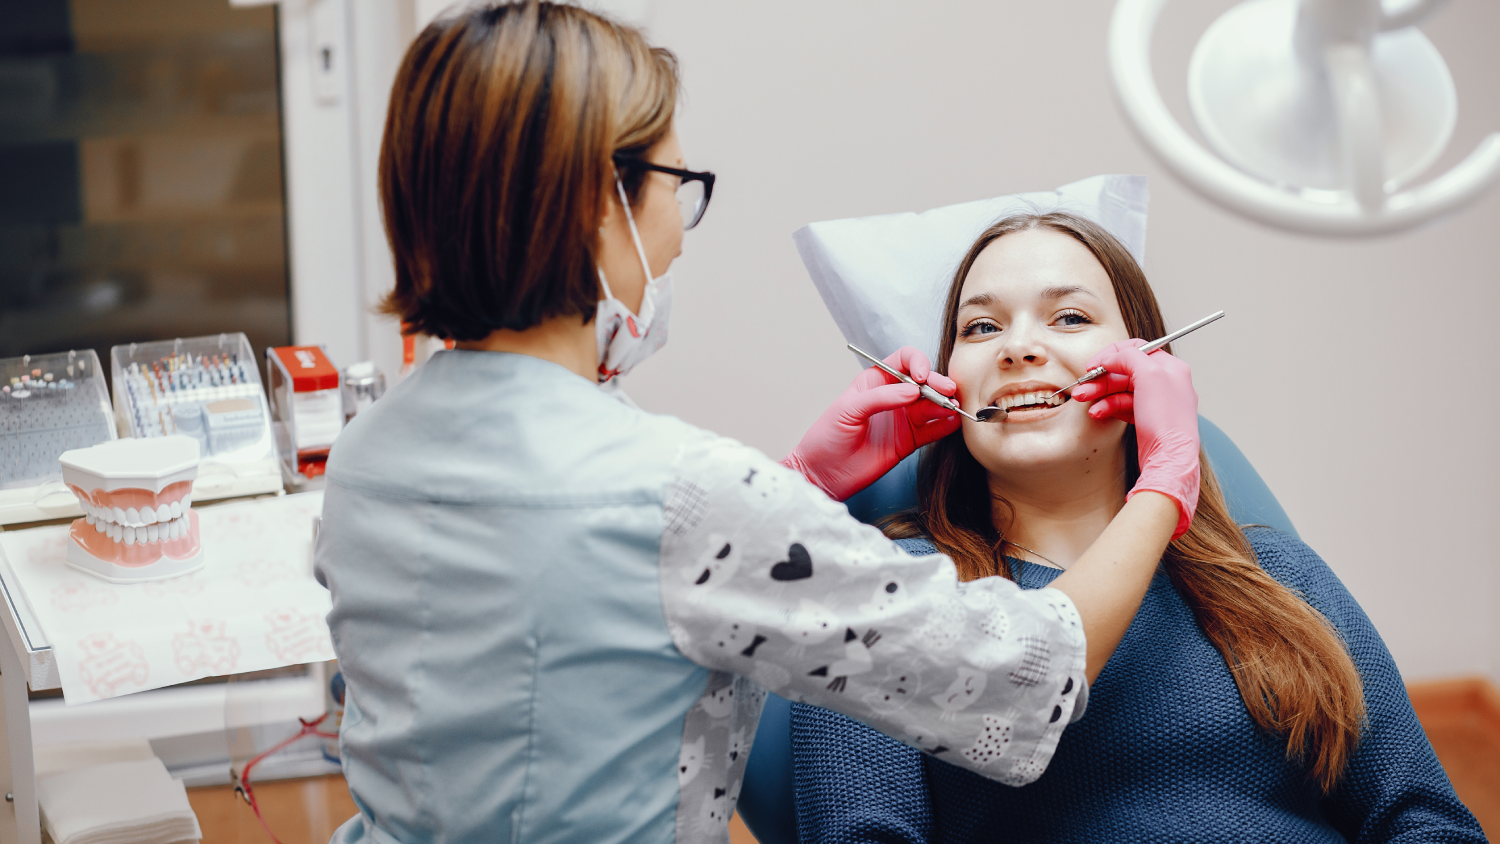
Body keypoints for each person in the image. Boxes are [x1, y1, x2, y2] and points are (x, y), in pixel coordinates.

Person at [313, 5, 1202, 843]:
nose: (680, 237)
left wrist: (794, 488)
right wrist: (1165, 482)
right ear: (598, 200)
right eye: (678, 187)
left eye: (1072, 319)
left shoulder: (365, 454)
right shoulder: (683, 494)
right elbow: (1018, 677)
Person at [789, 212, 1486, 844]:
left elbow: (1422, 821)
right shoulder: (884, 595)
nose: (1018, 347)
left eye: (1067, 317)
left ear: (1147, 362)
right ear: (946, 382)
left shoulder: (1281, 576)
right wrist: (796, 486)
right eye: (980, 327)